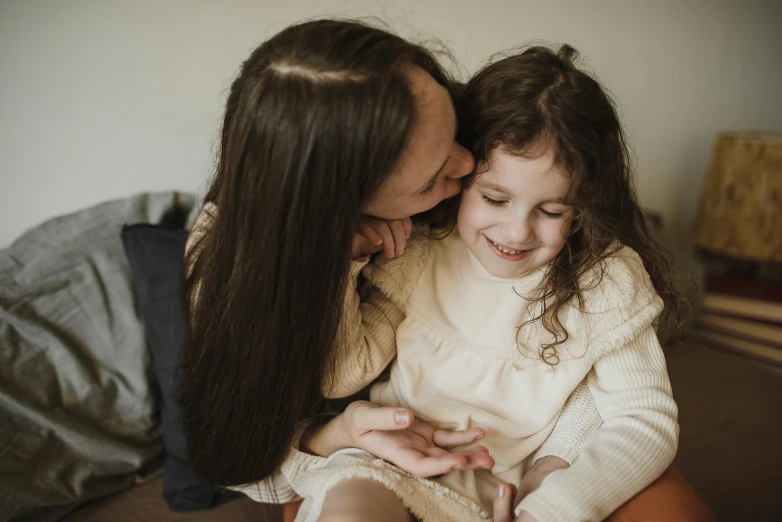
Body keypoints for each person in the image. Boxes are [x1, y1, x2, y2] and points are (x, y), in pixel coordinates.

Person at [181, 18, 700, 522]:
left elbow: (631, 410)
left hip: (505, 480)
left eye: (552, 210)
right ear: (352, 207)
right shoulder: (416, 251)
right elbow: (302, 411)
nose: (464, 163)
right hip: (378, 463)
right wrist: (345, 264)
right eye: (485, 193)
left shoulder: (600, 275)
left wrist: (558, 473)